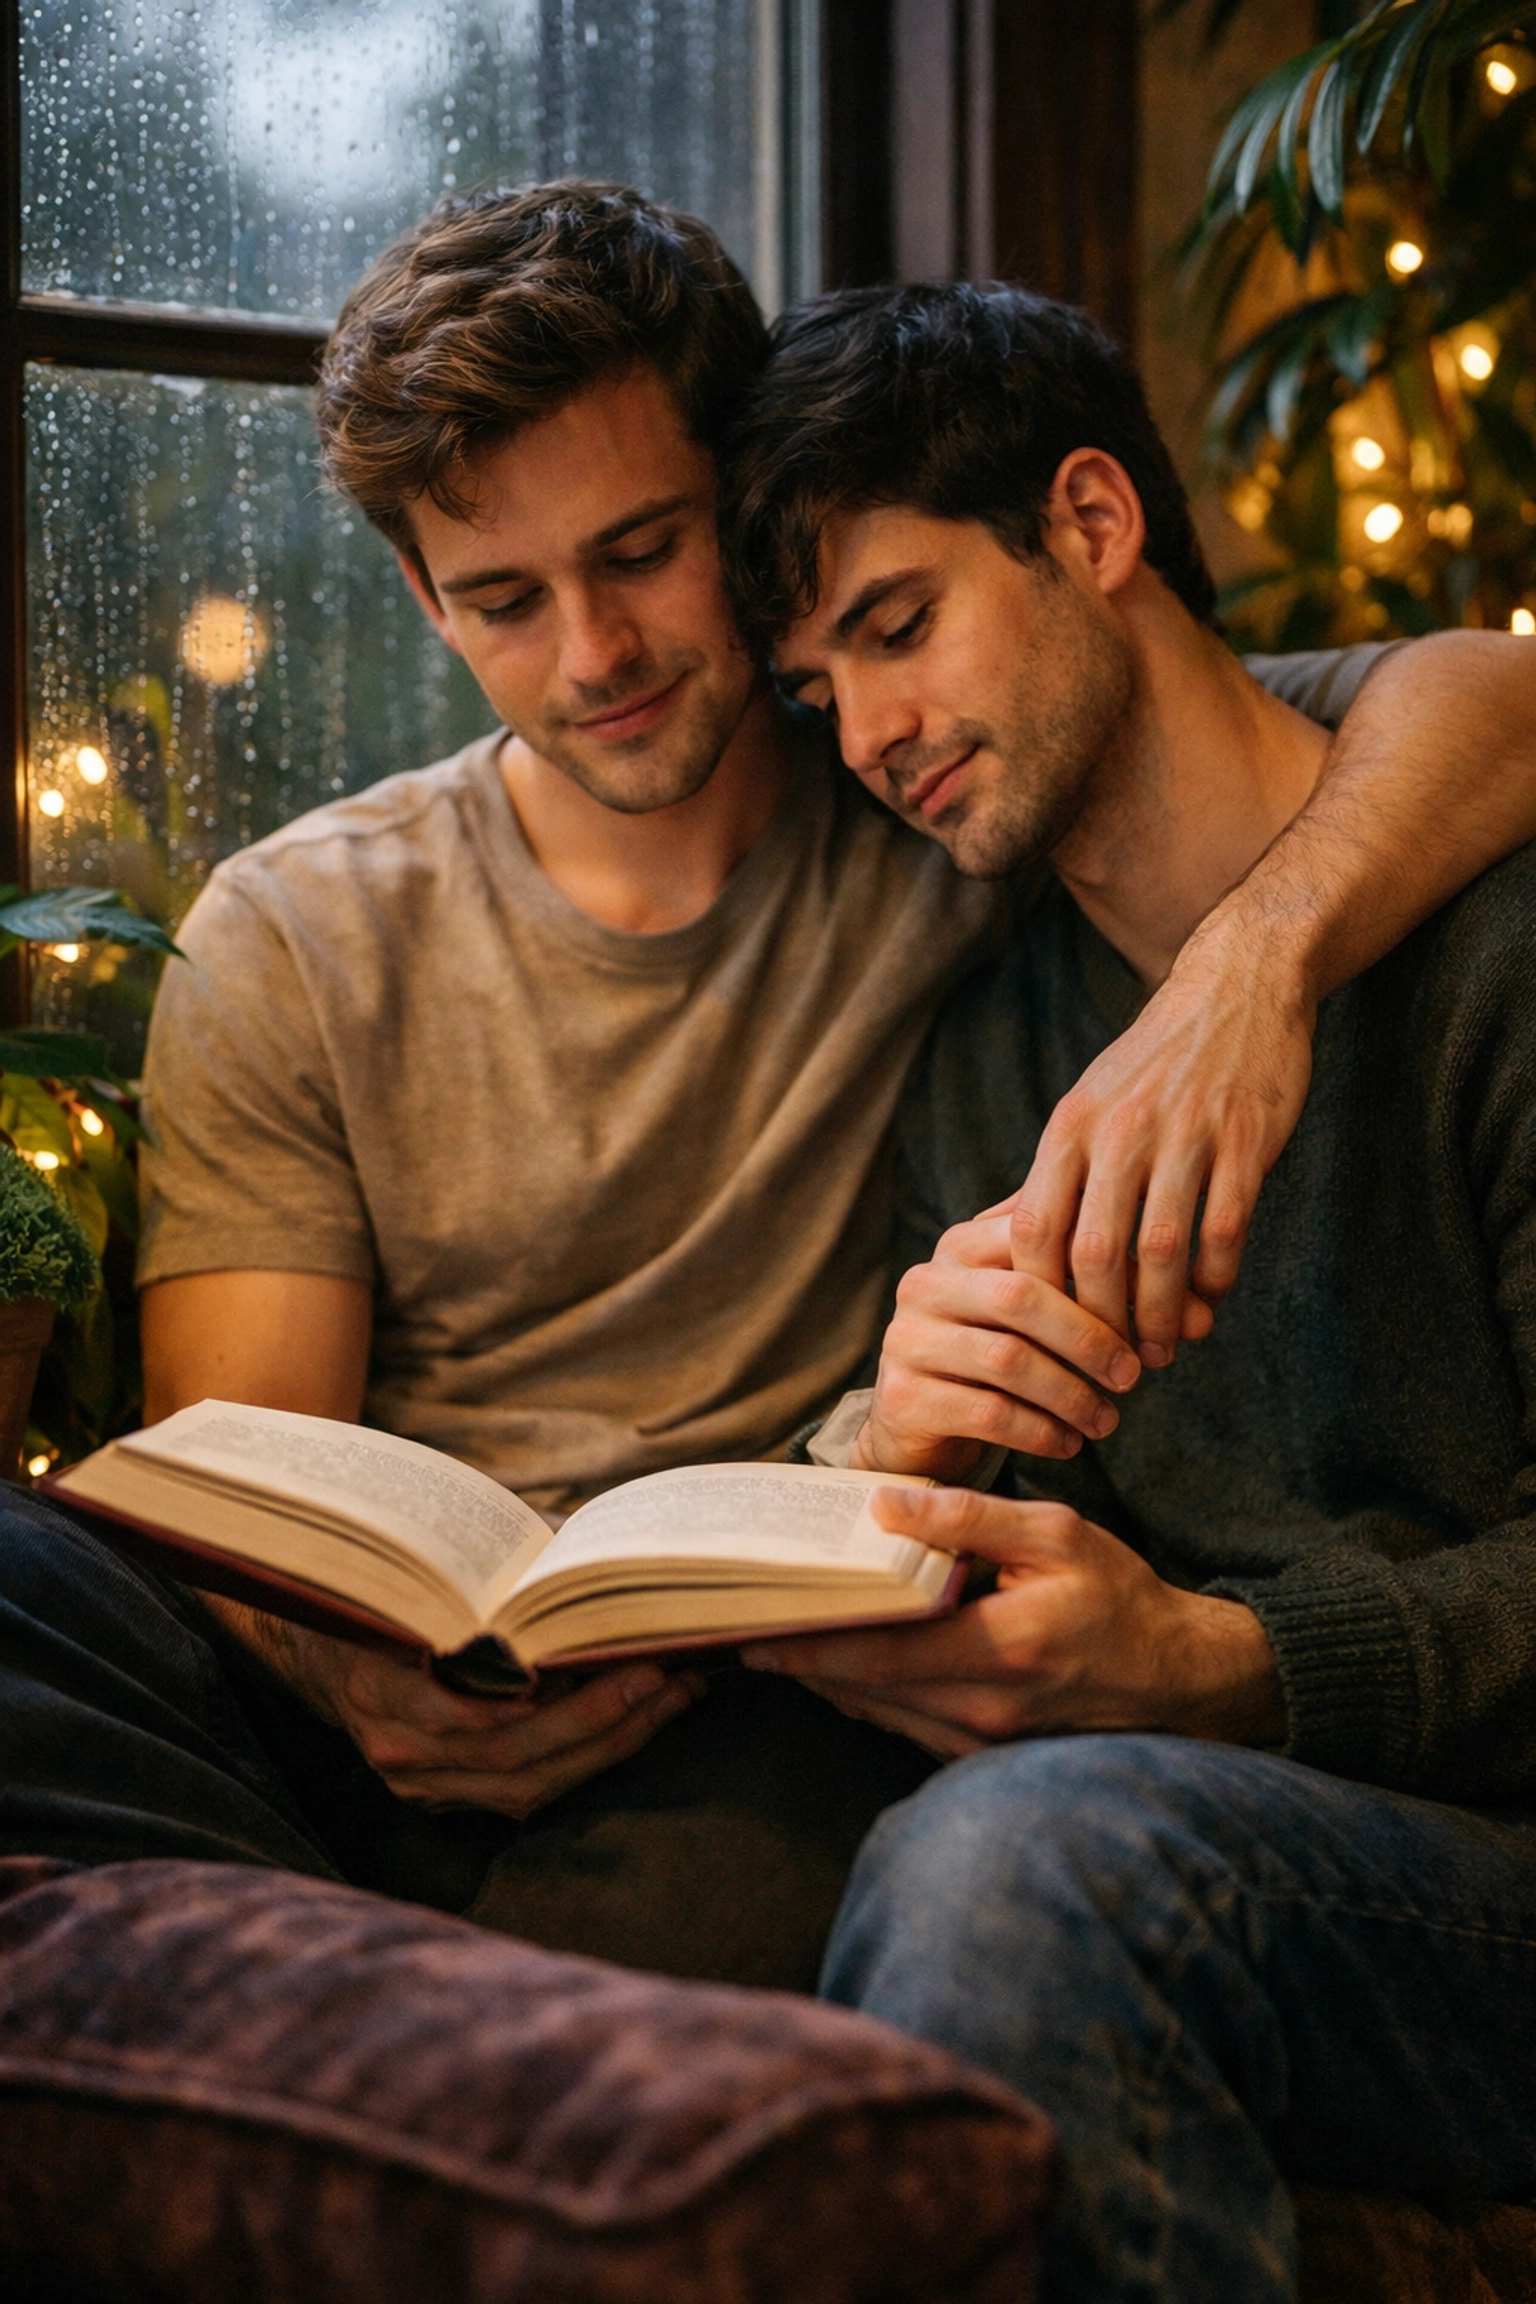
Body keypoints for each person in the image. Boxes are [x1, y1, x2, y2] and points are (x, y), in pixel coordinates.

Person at [112, 188, 1536, 1942]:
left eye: (641, 551)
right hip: (365, 1713)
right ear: (422, 597)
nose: (596, 655)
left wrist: (1247, 973)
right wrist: (342, 1684)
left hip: (748, 1711)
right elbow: (230, 1482)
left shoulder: (964, 820)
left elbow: (1463, 705)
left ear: (741, 502)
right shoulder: (301, 932)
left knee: (860, 1859)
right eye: (501, 598)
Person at [720, 280, 1536, 2299]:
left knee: (1018, 1868)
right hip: (1246, 1870)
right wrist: (908, 1484)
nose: (874, 735)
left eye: (898, 624)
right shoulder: (986, 1053)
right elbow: (1067, 1640)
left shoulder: (1502, 956)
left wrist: (1235, 1665)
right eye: (821, 692)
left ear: (1092, 527)